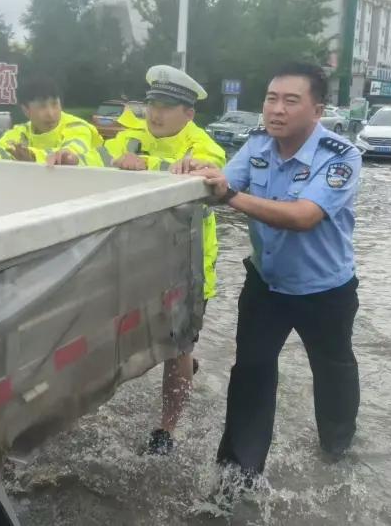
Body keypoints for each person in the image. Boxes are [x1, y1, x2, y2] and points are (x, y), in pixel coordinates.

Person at [191, 62, 362, 498]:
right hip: (266, 285)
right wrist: (196, 174)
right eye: (271, 98)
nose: (276, 109)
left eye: (290, 100)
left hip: (325, 291)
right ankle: (237, 477)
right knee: (250, 372)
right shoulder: (258, 146)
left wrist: (230, 195)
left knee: (333, 368)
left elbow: (304, 217)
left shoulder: (341, 157)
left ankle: (337, 447)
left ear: (317, 110)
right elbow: (221, 183)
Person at [99, 65, 226, 455]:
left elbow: (203, 177)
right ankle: (186, 368)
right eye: (152, 103)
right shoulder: (128, 137)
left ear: (188, 114)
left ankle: (166, 429)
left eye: (168, 106)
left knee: (177, 349)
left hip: (184, 268)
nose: (155, 113)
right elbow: (92, 162)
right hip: (136, 264)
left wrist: (143, 168)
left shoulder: (204, 146)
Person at [0, 77, 104, 166]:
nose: (51, 113)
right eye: (42, 106)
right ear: (26, 110)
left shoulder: (78, 126)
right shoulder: (21, 132)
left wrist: (34, 157)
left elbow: (70, 152)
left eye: (55, 104)